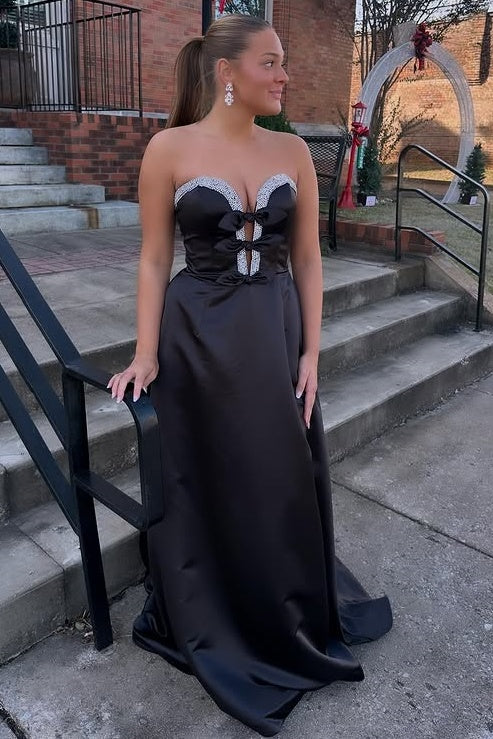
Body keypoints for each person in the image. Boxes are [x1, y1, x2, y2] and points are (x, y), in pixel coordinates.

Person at [108, 13, 392, 737]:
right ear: (226, 72)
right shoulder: (168, 148)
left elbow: (308, 259)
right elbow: (153, 258)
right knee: (211, 473)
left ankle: (283, 606)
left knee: (277, 469)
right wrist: (145, 352)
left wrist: (311, 352)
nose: (284, 75)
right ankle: (219, 607)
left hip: (273, 333)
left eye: (284, 62)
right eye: (271, 62)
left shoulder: (292, 149)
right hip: (196, 338)